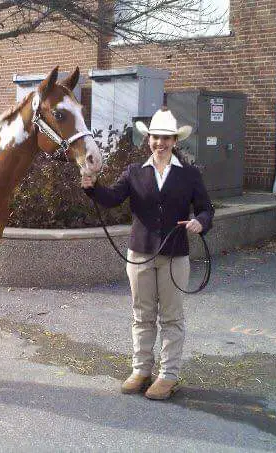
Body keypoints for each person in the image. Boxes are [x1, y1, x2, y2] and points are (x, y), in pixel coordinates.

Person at [82, 107, 215, 400]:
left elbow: (207, 208)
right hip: (140, 253)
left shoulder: (189, 175)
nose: (160, 143)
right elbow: (113, 197)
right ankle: (141, 369)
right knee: (141, 315)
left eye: (166, 138)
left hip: (174, 255)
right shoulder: (134, 172)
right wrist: (93, 188)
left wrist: (199, 222)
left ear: (175, 141)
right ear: (149, 139)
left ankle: (168, 375)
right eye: (155, 137)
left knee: (171, 317)